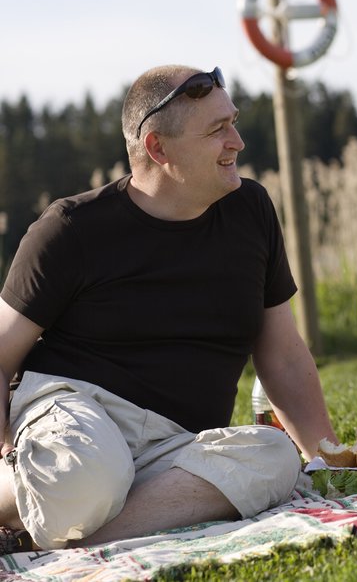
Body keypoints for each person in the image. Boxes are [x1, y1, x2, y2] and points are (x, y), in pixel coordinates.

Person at [0, 65, 338, 552]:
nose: (238, 141)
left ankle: (57, 541)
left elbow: (281, 353)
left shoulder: (252, 211)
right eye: (218, 129)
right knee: (90, 472)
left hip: (174, 445)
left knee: (274, 456)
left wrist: (327, 458)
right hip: (75, 412)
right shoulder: (71, 229)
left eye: (233, 122)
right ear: (158, 148)